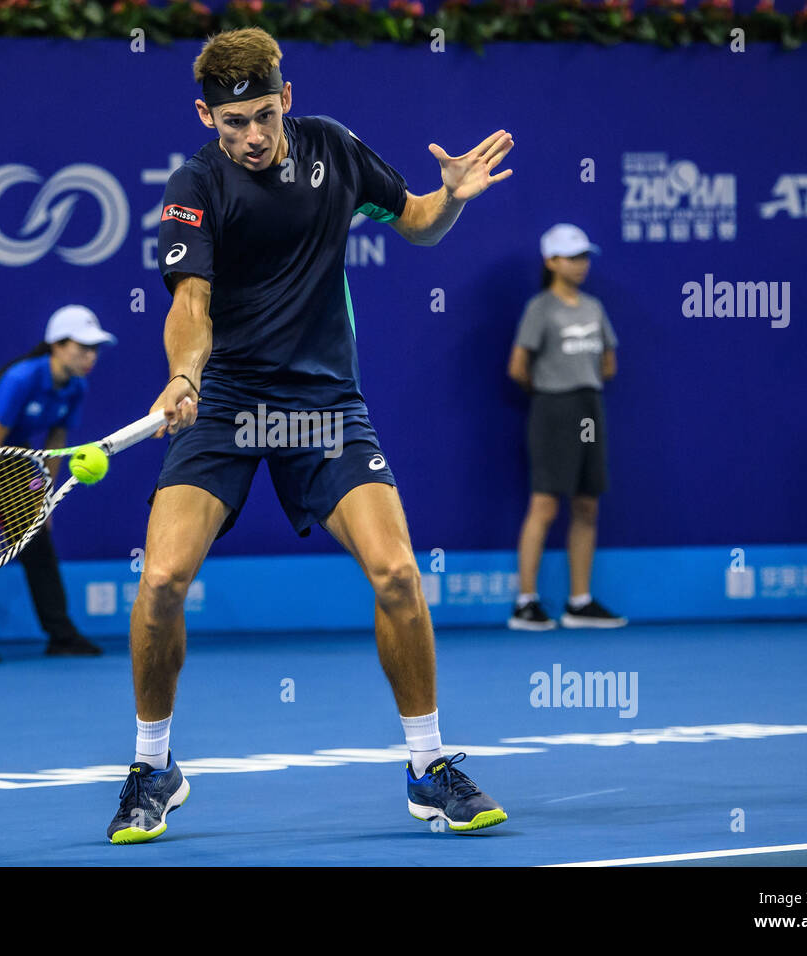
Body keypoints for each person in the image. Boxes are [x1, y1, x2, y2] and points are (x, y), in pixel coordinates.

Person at [106, 27, 515, 844]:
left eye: (263, 115)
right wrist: (185, 378)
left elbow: (420, 224)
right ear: (205, 116)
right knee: (160, 582)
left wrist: (454, 196)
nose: (251, 137)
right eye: (232, 124)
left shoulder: (335, 149)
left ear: (286, 99)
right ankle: (154, 768)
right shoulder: (194, 185)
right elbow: (189, 305)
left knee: (398, 572)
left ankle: (428, 768)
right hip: (223, 402)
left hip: (324, 405)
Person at [0, 305, 115, 663]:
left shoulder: (76, 388)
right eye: (82, 347)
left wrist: (46, 499)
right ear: (56, 344)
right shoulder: (21, 378)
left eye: (95, 349)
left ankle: (61, 636)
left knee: (37, 537)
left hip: (16, 451)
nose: (90, 356)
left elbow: (56, 443)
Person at [506, 224, 627, 631]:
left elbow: (608, 364)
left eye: (584, 257)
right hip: (552, 410)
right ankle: (525, 602)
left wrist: (580, 385)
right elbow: (518, 368)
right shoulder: (539, 308)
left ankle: (580, 601)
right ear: (551, 262)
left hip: (590, 409)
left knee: (587, 502)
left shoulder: (594, 307)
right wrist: (552, 389)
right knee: (544, 503)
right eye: (572, 257)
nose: (580, 265)